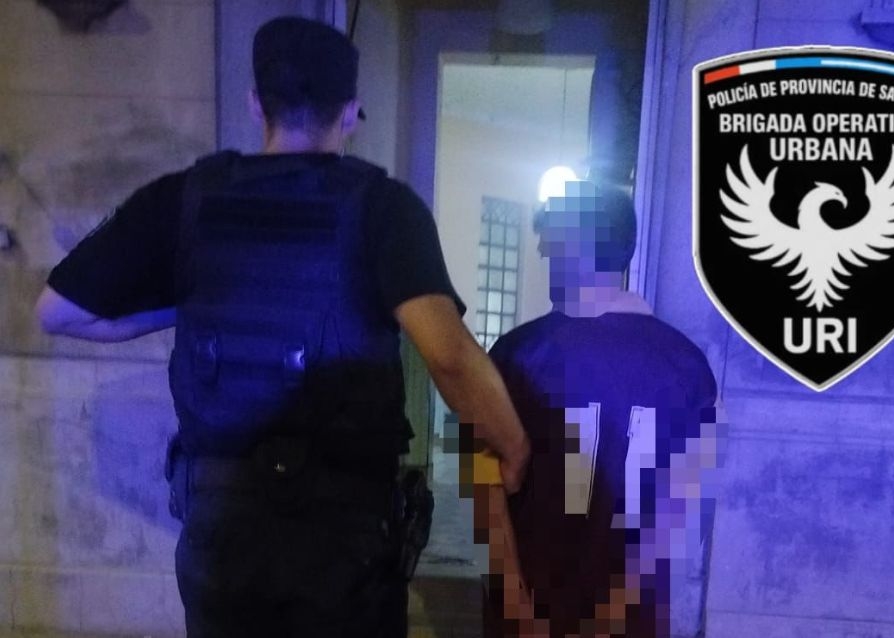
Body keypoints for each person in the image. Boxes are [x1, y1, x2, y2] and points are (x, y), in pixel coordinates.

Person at [34, 16, 530, 638]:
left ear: (255, 104)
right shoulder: (384, 207)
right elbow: (448, 356)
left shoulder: (182, 198)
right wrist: (512, 444)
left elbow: (58, 311)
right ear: (348, 113)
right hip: (343, 541)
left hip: (222, 533)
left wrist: (191, 302)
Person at [475, 180, 721, 637]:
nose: (544, 255)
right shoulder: (689, 367)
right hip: (632, 617)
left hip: (532, 606)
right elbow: (683, 508)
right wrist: (617, 611)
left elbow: (485, 487)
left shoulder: (514, 354)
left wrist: (513, 599)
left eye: (550, 244)